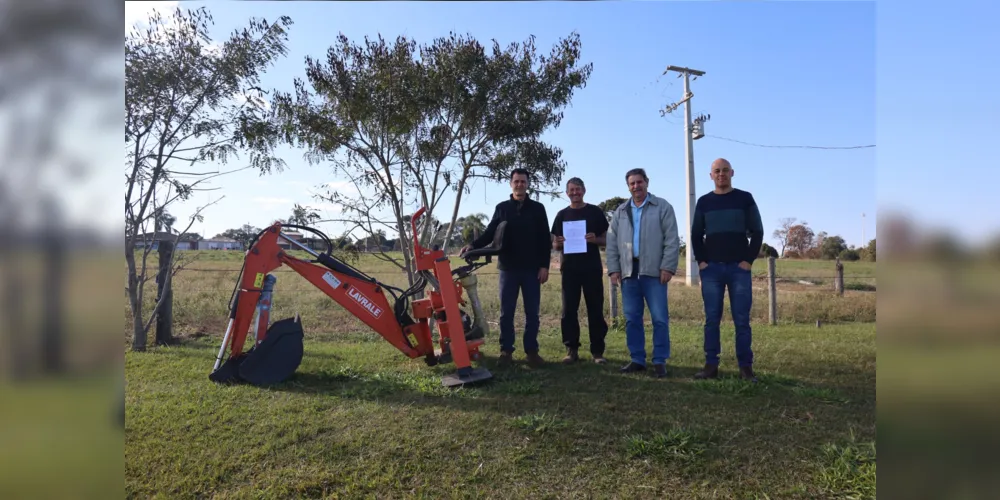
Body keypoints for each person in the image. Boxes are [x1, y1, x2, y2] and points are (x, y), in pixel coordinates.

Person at [460, 168, 551, 368]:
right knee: (506, 313)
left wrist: (544, 265)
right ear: (510, 184)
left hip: (531, 270)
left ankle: (532, 352)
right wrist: (473, 246)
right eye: (516, 181)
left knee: (532, 313)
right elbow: (490, 232)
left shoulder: (538, 208)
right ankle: (506, 351)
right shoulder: (502, 208)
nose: (519, 184)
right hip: (508, 269)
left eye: (523, 181)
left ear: (528, 184)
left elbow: (545, 239)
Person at [690, 158, 764, 382]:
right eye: (716, 171)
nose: (721, 174)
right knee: (712, 319)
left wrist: (748, 261)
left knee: (742, 320)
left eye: (724, 170)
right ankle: (711, 366)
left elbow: (758, 231)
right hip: (711, 270)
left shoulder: (745, 198)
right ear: (710, 175)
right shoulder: (704, 202)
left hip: (738, 270)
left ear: (732, 172)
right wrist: (702, 262)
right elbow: (695, 235)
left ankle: (745, 368)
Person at [605, 168, 680, 378]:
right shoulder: (620, 212)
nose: (636, 186)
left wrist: (668, 266)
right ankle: (637, 359)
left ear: (647, 182)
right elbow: (612, 244)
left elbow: (672, 239)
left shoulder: (662, 207)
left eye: (639, 182)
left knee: (659, 318)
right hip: (629, 273)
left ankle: (659, 360)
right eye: (632, 183)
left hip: (655, 272)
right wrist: (613, 269)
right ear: (628, 186)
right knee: (631, 319)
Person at [551, 177, 610, 364]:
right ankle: (571, 350)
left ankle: (597, 352)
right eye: (571, 190)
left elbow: (606, 239)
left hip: (592, 269)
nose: (575, 193)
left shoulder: (595, 212)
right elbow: (555, 244)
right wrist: (557, 244)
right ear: (567, 192)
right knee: (568, 311)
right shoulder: (561, 215)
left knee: (595, 310)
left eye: (578, 189)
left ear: (584, 190)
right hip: (569, 270)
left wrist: (596, 240)